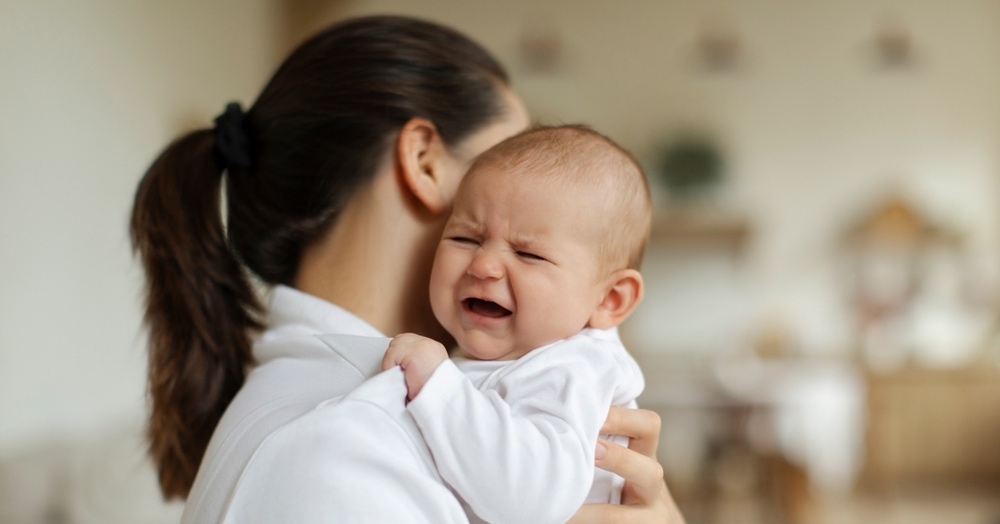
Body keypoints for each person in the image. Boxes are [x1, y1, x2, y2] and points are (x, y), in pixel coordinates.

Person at [129, 15, 684, 523]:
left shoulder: (357, 407)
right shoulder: (348, 442)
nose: (489, 263)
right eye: (504, 156)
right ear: (425, 162)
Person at [381, 125, 651, 523]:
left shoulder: (574, 369)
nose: (483, 265)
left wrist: (439, 386)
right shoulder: (525, 356)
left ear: (610, 299)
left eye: (529, 254)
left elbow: (530, 500)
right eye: (465, 238)